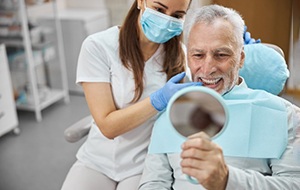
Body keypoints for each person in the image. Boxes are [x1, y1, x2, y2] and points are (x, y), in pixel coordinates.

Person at [139, 4, 300, 190]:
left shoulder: (286, 116)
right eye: (198, 55)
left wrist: (227, 179)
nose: (207, 69)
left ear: (240, 58)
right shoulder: (169, 113)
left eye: (221, 55)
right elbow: (153, 183)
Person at [60, 0, 202, 190]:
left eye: (177, 16)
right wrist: (158, 100)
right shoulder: (99, 46)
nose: (166, 20)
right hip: (96, 160)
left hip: (144, 164)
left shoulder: (180, 57)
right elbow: (108, 127)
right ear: (141, 2)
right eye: (159, 9)